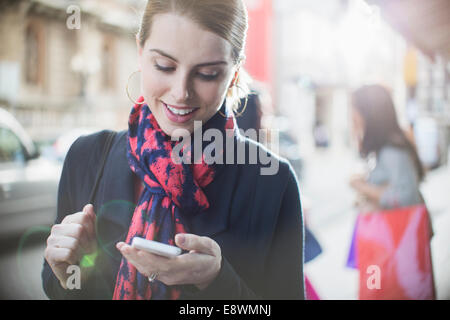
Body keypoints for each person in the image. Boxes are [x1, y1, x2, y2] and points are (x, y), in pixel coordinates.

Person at [42, 0, 304, 300]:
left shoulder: (272, 182)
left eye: (206, 74)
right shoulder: (86, 157)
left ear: (233, 73)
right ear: (140, 52)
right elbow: (56, 286)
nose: (181, 92)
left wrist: (218, 282)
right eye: (164, 66)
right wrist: (70, 274)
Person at [349, 84, 425, 211]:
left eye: (355, 108)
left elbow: (405, 198)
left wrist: (362, 187)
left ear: (369, 113)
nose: (353, 115)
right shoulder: (387, 147)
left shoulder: (392, 151)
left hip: (399, 228)